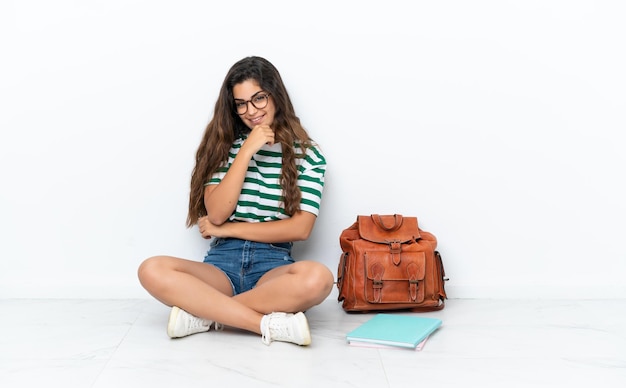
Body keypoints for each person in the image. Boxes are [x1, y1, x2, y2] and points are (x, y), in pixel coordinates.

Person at [137, 56, 334, 346]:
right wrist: (245, 151)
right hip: (221, 267)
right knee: (151, 269)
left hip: (272, 267)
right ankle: (261, 323)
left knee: (318, 278)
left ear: (275, 95)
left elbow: (300, 228)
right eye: (241, 103)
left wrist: (228, 230)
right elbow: (216, 214)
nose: (250, 111)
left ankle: (206, 313)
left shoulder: (310, 157)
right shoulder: (224, 146)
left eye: (259, 99)